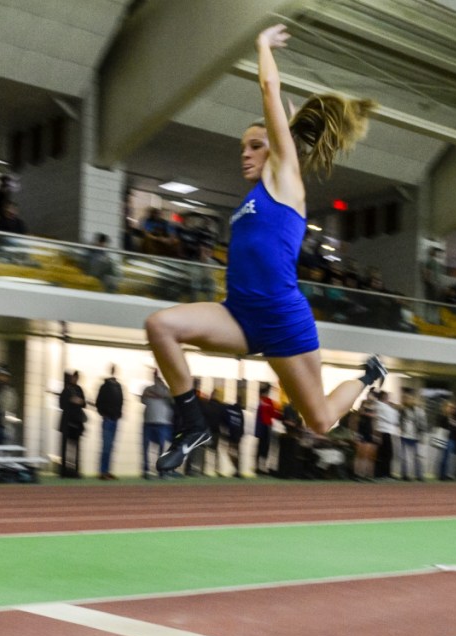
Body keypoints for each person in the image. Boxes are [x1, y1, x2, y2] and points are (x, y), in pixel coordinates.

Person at [144, 24, 386, 475]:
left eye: (256, 145)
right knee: (160, 326)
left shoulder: (285, 180)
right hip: (238, 313)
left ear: (278, 148)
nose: (246, 153)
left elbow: (269, 90)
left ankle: (368, 378)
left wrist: (261, 46)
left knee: (320, 420)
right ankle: (192, 423)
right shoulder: (251, 198)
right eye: (243, 147)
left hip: (280, 318)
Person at [140, 369, 173, 479]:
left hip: (162, 423)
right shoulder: (147, 389)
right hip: (149, 422)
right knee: (146, 448)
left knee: (162, 449)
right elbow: (143, 399)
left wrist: (157, 392)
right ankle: (146, 470)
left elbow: (169, 399)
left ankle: (161, 471)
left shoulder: (167, 391)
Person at [95, 365, 124, 480]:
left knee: (110, 447)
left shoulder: (118, 387)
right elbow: (98, 402)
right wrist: (104, 413)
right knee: (106, 447)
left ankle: (107, 471)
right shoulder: (105, 387)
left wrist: (118, 414)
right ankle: (103, 472)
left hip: (114, 419)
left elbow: (121, 402)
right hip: (108, 419)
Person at [58, 370, 86, 478]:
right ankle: (63, 471)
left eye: (76, 378)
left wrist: (80, 401)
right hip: (67, 422)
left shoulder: (79, 389)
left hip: (76, 422)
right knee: (64, 448)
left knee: (76, 449)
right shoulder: (65, 390)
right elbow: (61, 405)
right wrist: (71, 400)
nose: (75, 379)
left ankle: (75, 470)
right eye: (74, 377)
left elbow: (84, 403)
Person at [398, 388, 428, 481]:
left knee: (418, 456)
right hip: (405, 435)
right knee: (405, 457)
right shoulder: (402, 410)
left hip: (416, 436)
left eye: (410, 398)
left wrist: (422, 434)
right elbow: (399, 421)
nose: (409, 400)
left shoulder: (419, 411)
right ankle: (405, 475)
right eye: (407, 398)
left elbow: (423, 423)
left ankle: (419, 475)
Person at [373, 390, 400, 479]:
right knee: (385, 454)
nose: (389, 398)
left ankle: (385, 473)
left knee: (386, 454)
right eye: (387, 396)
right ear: (384, 397)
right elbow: (392, 419)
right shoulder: (382, 406)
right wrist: (394, 410)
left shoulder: (384, 406)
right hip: (384, 431)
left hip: (386, 431)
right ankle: (383, 474)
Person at [254, 383, 280, 474]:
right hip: (266, 426)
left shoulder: (261, 401)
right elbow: (273, 413)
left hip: (261, 426)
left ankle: (259, 466)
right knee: (265, 447)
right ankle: (262, 467)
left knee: (261, 447)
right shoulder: (267, 401)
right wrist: (281, 415)